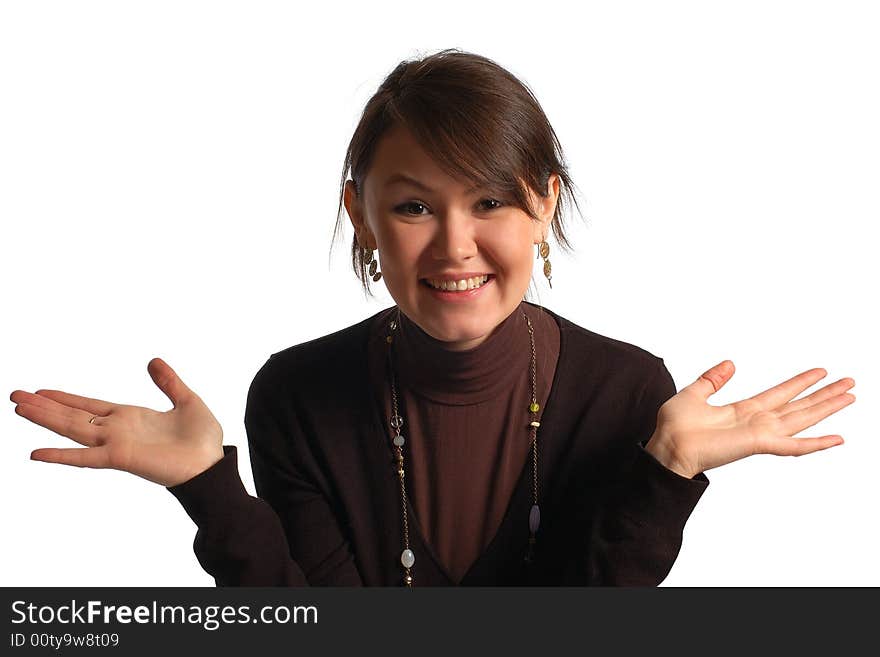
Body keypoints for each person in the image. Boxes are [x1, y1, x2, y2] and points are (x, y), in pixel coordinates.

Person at [9, 49, 856, 587]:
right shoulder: (298, 393)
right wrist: (209, 488)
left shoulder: (628, 390)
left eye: (491, 200)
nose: (456, 245)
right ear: (361, 213)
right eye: (414, 205)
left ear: (544, 204)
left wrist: (665, 469)